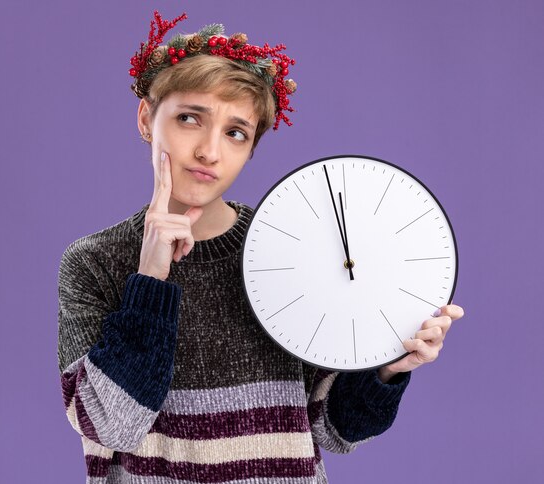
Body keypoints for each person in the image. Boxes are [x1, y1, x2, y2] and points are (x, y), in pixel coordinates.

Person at [57, 11, 465, 484]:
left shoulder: (287, 246)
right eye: (190, 118)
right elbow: (112, 426)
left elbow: (333, 430)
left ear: (250, 148)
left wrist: (389, 367)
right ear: (147, 118)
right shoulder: (92, 262)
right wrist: (150, 279)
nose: (210, 151)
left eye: (235, 133)